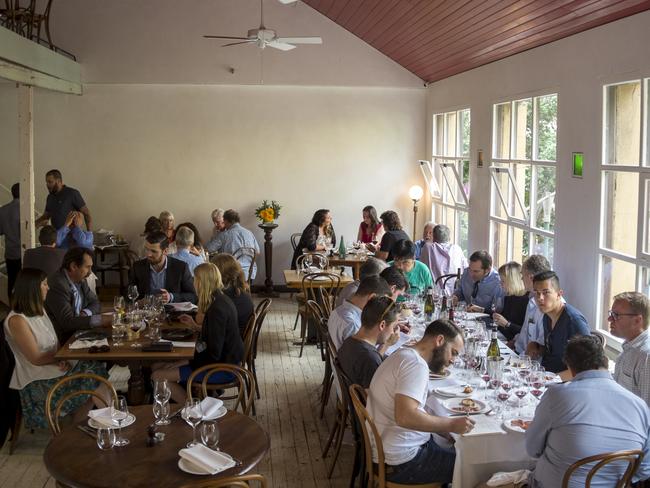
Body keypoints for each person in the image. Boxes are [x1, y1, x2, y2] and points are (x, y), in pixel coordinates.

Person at [525, 336, 650, 488]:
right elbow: (644, 469)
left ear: (570, 368)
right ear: (605, 361)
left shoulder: (557, 395)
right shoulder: (640, 406)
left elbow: (532, 450)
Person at [367, 319, 471, 485]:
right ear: (439, 340)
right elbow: (405, 417)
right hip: (402, 461)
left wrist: (444, 430)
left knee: (455, 449)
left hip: (388, 451)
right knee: (470, 468)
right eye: (453, 352)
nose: (453, 360)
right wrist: (450, 425)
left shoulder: (404, 354)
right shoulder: (415, 365)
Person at [3, 268, 109, 430]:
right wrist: (60, 358)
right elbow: (36, 358)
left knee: (95, 370)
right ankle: (111, 422)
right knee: (93, 374)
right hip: (36, 380)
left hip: (52, 368)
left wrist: (64, 359)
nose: (48, 287)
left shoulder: (39, 310)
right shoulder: (17, 320)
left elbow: (55, 344)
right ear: (32, 289)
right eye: (44, 284)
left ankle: (86, 428)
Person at [151, 263, 244, 404]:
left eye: (195, 279)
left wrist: (186, 361)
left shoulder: (217, 310)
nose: (193, 282)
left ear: (201, 282)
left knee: (157, 375)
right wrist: (195, 326)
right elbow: (216, 334)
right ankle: (188, 402)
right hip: (224, 361)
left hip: (223, 369)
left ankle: (194, 410)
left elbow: (213, 354)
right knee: (156, 365)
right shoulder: (220, 300)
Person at [528, 270, 590, 375]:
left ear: (559, 294)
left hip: (564, 384)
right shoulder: (547, 316)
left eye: (546, 292)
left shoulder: (574, 321)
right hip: (544, 375)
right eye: (537, 293)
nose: (540, 298)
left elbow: (587, 368)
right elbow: (554, 352)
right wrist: (537, 347)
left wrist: (552, 379)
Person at [338, 296, 400, 388]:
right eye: (394, 327)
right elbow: (374, 398)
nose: (392, 332)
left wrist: (386, 344)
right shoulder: (370, 359)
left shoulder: (349, 341)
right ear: (382, 325)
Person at [45, 247, 104, 344]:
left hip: (79, 333)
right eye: (87, 267)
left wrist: (85, 313)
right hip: (64, 341)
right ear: (73, 266)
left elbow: (95, 302)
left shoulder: (81, 280)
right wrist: (100, 320)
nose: (90, 272)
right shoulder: (58, 285)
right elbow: (67, 322)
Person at [129, 231, 197, 304]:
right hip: (145, 312)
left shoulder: (181, 267)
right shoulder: (138, 267)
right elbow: (128, 293)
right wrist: (138, 302)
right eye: (147, 249)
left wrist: (171, 297)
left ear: (165, 251)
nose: (148, 254)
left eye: (153, 251)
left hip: (171, 313)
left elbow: (193, 296)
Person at [328, 276, 392, 350]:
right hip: (347, 360)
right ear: (371, 298)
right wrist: (386, 344)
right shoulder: (353, 325)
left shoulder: (338, 310)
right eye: (381, 302)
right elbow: (364, 357)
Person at [609, 291, 650, 406]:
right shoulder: (629, 346)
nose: (609, 319)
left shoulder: (646, 357)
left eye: (616, 315)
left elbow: (647, 412)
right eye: (611, 313)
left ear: (637, 320)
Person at [511, 255, 552, 355]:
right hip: (518, 353)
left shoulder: (547, 307)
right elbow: (524, 335)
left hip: (530, 362)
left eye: (522, 275)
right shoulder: (531, 301)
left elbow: (538, 350)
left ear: (531, 277)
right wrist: (513, 343)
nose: (521, 278)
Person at [206, 209, 260, 280]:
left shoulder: (224, 235)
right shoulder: (249, 232)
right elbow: (257, 252)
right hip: (250, 273)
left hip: (232, 274)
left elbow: (209, 248)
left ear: (226, 221)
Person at [211, 253, 254, 338]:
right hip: (234, 338)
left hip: (229, 344)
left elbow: (209, 324)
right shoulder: (238, 291)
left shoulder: (223, 297)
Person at [418, 224, 467, 292]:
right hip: (456, 293)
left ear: (434, 237)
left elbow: (420, 269)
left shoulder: (428, 247)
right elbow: (465, 269)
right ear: (449, 237)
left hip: (435, 293)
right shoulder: (457, 248)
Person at [491, 262, 529, 341]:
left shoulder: (527, 301)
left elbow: (526, 333)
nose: (500, 284)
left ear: (513, 281)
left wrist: (507, 324)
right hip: (506, 338)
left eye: (503, 281)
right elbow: (503, 325)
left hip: (517, 344)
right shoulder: (509, 297)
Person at [0, 183, 21, 297]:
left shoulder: (3, 210)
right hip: (22, 252)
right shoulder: (24, 209)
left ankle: (11, 308)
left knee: (11, 282)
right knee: (24, 283)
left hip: (9, 253)